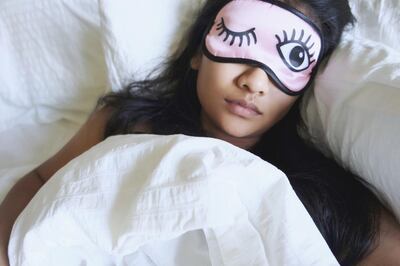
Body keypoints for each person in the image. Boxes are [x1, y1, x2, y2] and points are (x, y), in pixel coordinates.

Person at [1, 0, 399, 265]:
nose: (255, 81)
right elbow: (39, 181)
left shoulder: (319, 193)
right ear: (196, 53)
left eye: (292, 58)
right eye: (240, 38)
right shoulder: (128, 122)